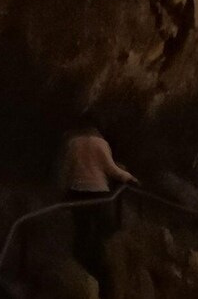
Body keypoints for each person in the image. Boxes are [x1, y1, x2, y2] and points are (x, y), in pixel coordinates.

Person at [61, 124, 139, 292]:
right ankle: (103, 276)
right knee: (102, 231)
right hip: (98, 193)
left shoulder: (73, 143)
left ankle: (84, 271)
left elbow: (67, 169)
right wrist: (130, 178)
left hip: (78, 192)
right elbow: (112, 169)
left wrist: (63, 191)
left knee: (81, 230)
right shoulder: (100, 143)